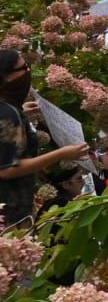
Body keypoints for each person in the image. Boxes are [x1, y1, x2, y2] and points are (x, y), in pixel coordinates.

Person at [0, 47, 89, 228]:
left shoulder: (9, 109)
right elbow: (8, 168)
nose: (28, 73)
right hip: (10, 212)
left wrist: (21, 114)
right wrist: (62, 153)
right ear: (6, 76)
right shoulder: (7, 113)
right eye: (23, 69)